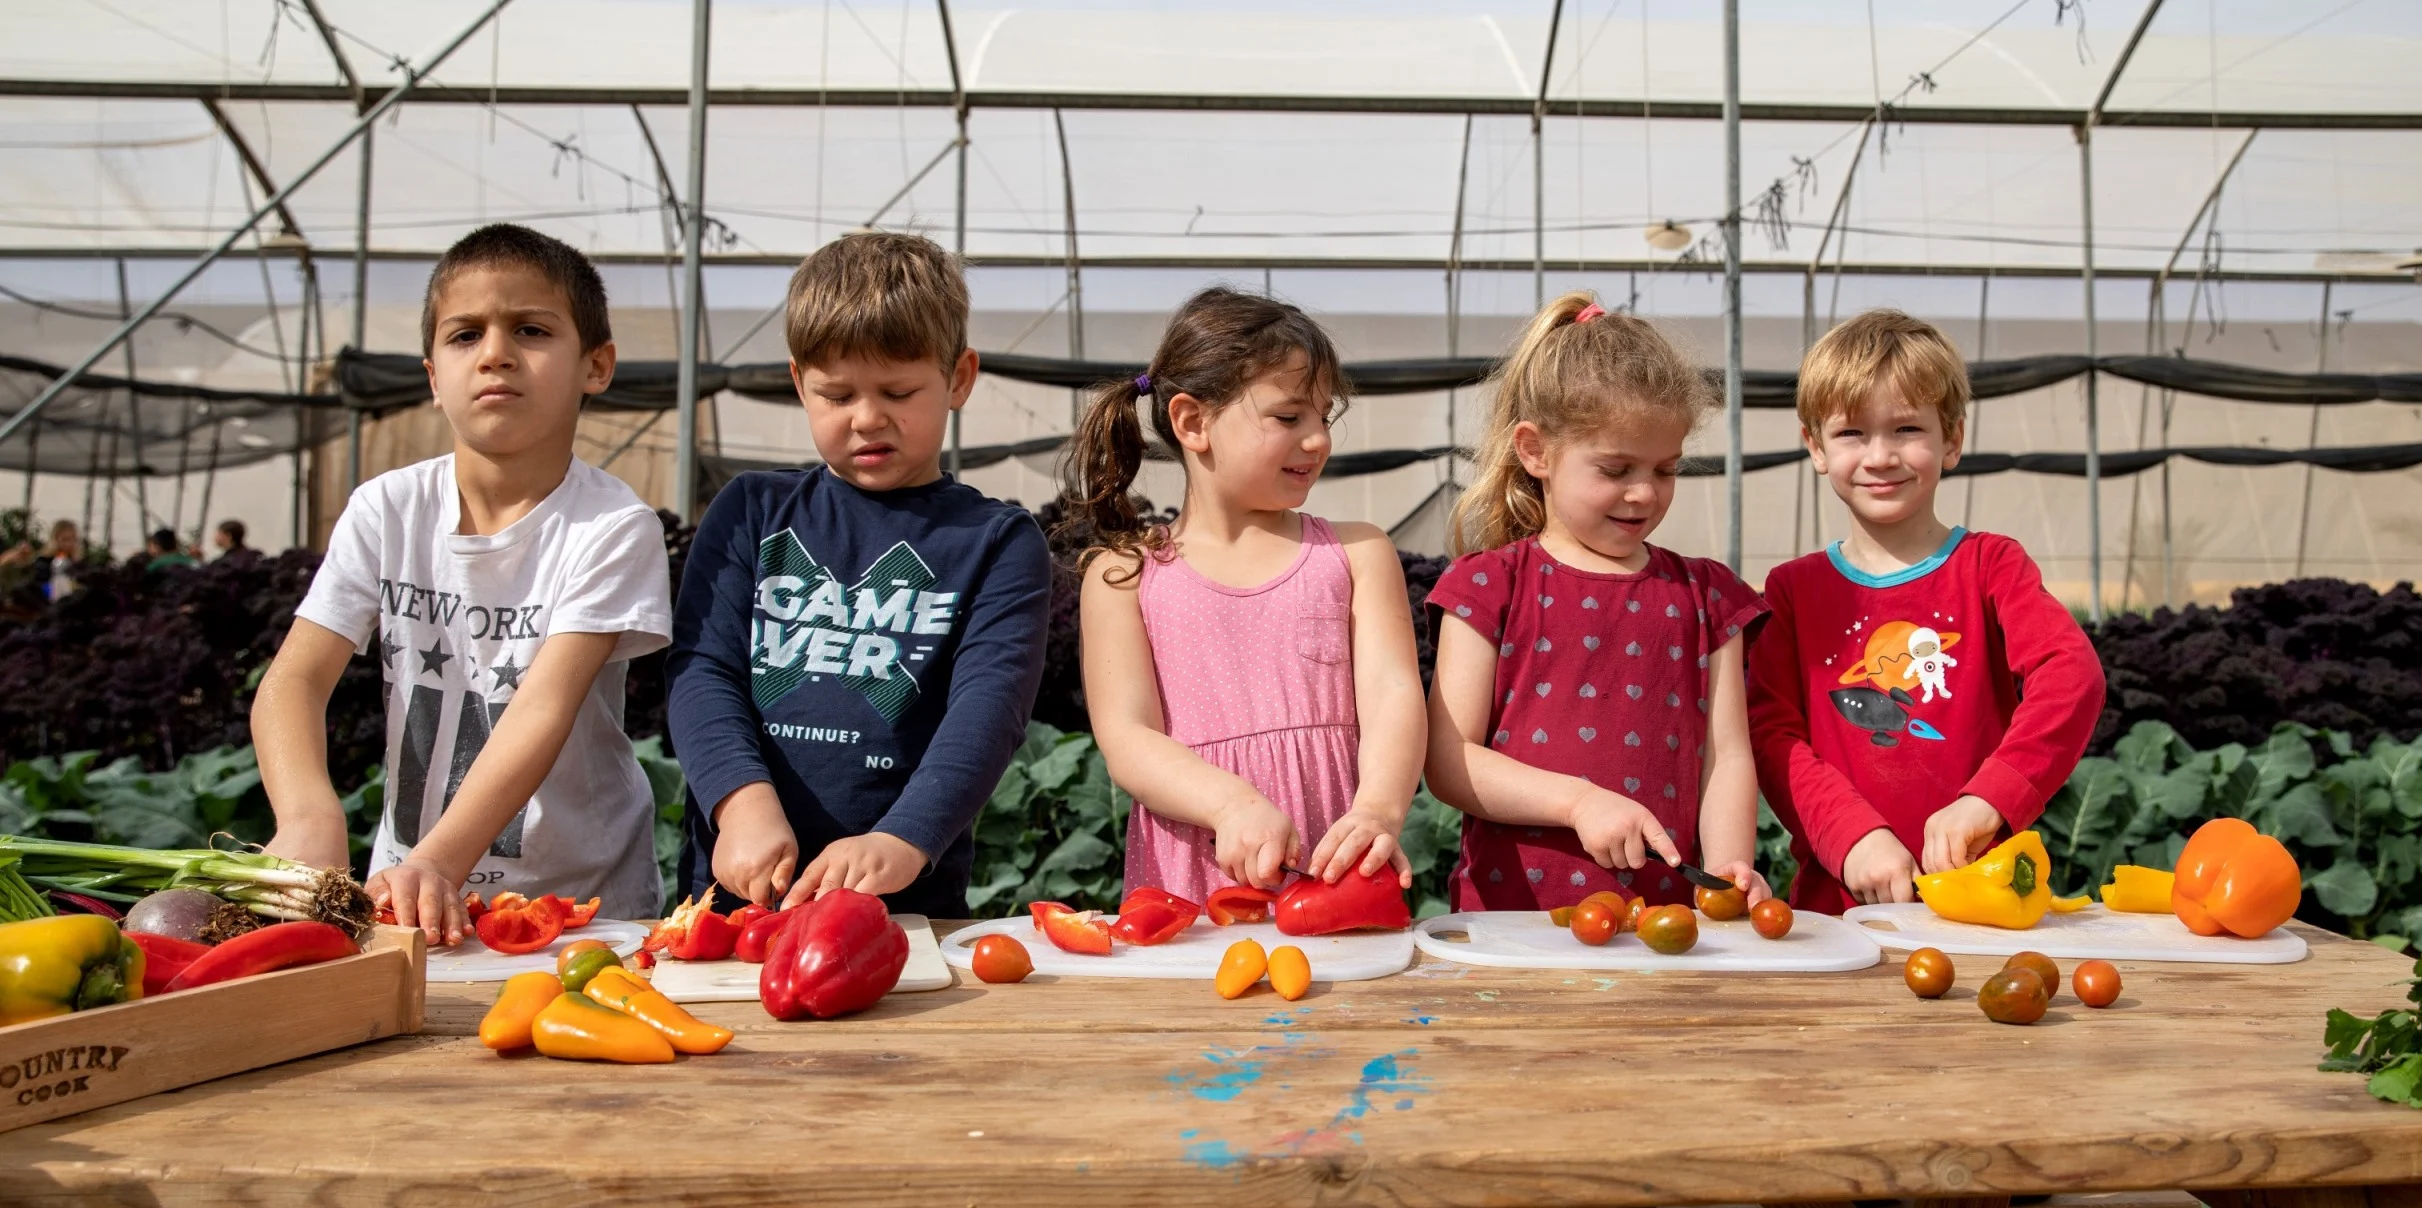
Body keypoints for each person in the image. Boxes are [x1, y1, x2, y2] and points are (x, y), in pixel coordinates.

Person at [253, 223, 673, 944]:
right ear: (432, 377)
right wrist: (308, 818)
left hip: (581, 908)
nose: (496, 354)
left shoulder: (612, 526)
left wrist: (440, 862)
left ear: (596, 365)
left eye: (532, 329)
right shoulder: (385, 509)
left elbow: (542, 708)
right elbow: (293, 680)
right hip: (407, 894)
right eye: (464, 335)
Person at [668, 231, 1051, 918]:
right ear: (798, 385)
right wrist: (740, 803)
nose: (868, 417)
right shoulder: (751, 512)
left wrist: (905, 836)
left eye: (898, 390)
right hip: (737, 900)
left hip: (901, 905)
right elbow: (702, 672)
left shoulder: (997, 541)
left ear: (959, 377)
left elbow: (988, 710)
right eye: (837, 394)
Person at [1065, 288, 1424, 903]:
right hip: (1193, 874)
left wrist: (1379, 813)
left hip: (1335, 868)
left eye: (1323, 416)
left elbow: (1394, 696)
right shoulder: (1124, 576)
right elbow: (1127, 737)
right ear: (1192, 421)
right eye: (1289, 418)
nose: (1317, 440)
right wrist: (1229, 804)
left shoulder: (1358, 555)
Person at [1748, 308, 2105, 914]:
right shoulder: (1792, 591)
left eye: (1907, 429)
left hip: (1984, 897)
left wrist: (1989, 798)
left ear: (1953, 440)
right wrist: (1849, 834)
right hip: (1840, 906)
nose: (1880, 456)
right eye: (1852, 433)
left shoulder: (1992, 566)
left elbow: (2071, 676)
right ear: (1815, 446)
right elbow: (1769, 734)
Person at [1422, 293, 1769, 913]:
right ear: (1536, 452)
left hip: (1667, 921)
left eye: (1665, 469)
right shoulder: (1488, 586)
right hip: (1516, 920)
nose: (1643, 493)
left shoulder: (1708, 597)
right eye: (1615, 468)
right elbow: (1449, 761)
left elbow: (1726, 755)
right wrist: (1578, 802)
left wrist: (1727, 866)